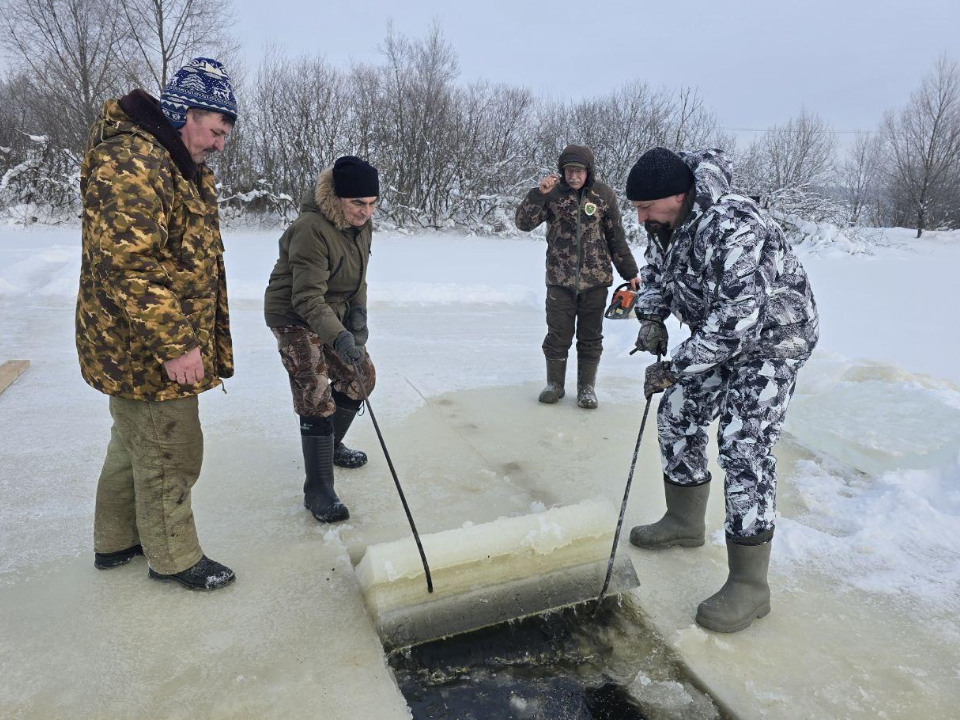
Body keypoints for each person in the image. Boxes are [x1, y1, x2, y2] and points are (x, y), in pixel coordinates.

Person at [626, 147, 819, 632]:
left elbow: (736, 325)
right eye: (637, 209)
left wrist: (676, 365)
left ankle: (751, 587)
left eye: (647, 208)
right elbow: (654, 273)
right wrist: (651, 316)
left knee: (743, 444)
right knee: (677, 413)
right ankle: (685, 521)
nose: (642, 217)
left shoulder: (736, 225)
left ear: (678, 194)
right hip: (716, 336)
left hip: (773, 340)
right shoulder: (663, 223)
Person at [77, 58, 238, 591]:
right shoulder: (133, 160)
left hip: (139, 342)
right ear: (182, 113)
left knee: (132, 443)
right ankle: (173, 558)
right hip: (145, 346)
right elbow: (130, 263)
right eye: (215, 131)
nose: (219, 144)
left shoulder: (170, 160)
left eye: (224, 135)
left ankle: (117, 538)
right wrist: (176, 345)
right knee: (171, 449)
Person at [264, 156, 378, 523]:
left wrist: (357, 317)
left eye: (372, 203)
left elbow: (357, 278)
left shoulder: (362, 226)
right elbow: (306, 298)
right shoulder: (311, 228)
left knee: (362, 377)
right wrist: (340, 335)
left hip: (332, 310)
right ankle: (318, 490)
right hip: (294, 314)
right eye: (357, 203)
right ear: (338, 197)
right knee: (315, 391)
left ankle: (330, 447)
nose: (366, 212)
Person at [515, 145, 640, 409]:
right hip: (559, 281)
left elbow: (616, 237)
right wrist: (538, 195)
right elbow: (523, 224)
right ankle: (555, 385)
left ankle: (586, 388)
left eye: (579, 171)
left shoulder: (603, 195)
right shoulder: (551, 194)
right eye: (569, 170)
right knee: (558, 334)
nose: (573, 176)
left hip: (595, 281)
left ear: (588, 171)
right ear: (562, 171)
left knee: (590, 336)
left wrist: (630, 273)